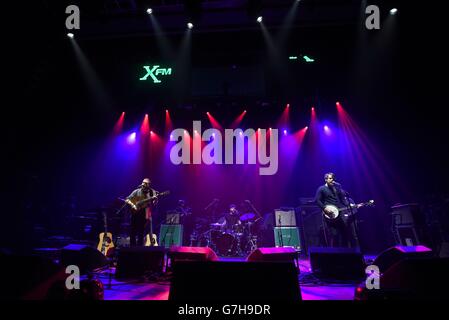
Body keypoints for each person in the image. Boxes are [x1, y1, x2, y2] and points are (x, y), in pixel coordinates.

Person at [315, 172, 358, 248]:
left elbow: (342, 199)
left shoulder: (337, 188)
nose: (332, 180)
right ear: (326, 179)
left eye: (333, 178)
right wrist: (325, 208)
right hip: (329, 214)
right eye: (330, 178)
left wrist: (349, 205)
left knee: (344, 233)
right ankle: (333, 253)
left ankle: (344, 252)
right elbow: (317, 200)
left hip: (339, 213)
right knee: (334, 234)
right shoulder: (321, 189)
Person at [125, 178, 159, 246]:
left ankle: (139, 249)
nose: (143, 184)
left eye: (145, 183)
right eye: (143, 182)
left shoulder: (152, 192)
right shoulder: (136, 191)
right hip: (135, 212)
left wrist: (155, 199)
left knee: (141, 232)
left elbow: (154, 203)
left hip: (144, 212)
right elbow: (127, 199)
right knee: (132, 231)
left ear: (149, 185)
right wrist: (133, 205)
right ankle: (132, 248)